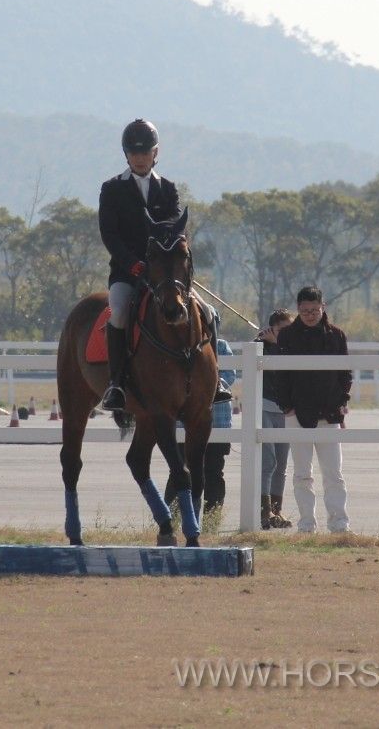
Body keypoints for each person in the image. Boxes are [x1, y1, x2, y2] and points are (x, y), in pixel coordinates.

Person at [97, 117, 231, 410]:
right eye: (134, 153)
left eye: (145, 153)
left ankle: (216, 378)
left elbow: (174, 229)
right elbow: (110, 235)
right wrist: (134, 265)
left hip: (165, 276)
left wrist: (166, 264)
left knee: (208, 313)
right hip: (127, 273)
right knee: (118, 313)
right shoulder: (112, 189)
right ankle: (116, 384)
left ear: (155, 153)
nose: (140, 158)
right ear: (127, 155)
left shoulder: (168, 189)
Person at [274, 286, 352, 533]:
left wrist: (342, 401)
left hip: (329, 413)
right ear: (298, 309)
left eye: (314, 310)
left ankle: (339, 523)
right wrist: (287, 407)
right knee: (301, 474)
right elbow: (279, 376)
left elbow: (345, 373)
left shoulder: (337, 336)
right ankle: (306, 524)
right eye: (305, 310)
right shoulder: (287, 336)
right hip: (297, 413)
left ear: (323, 307)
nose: (310, 315)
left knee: (333, 474)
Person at [164, 335, 237, 517]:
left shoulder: (220, 345)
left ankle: (211, 518)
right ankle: (171, 518)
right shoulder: (174, 345)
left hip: (217, 423)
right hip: (183, 425)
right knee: (179, 470)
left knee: (214, 472)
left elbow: (229, 376)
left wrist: (202, 382)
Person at [255, 308, 295, 529]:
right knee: (268, 462)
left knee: (281, 464)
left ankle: (276, 511)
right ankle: (264, 511)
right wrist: (266, 341)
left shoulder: (293, 347)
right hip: (264, 407)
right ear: (272, 328)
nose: (287, 333)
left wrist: (279, 344)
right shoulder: (260, 345)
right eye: (283, 329)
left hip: (285, 411)